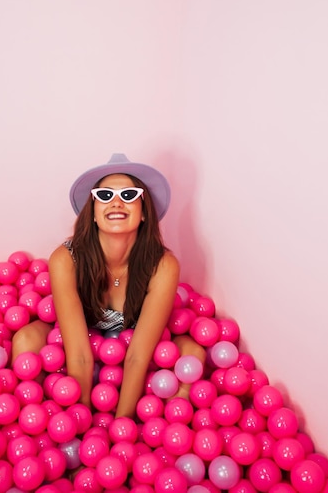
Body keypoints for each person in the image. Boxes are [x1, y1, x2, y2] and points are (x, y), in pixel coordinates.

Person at [12, 153, 205, 418]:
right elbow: (78, 353)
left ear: (144, 213)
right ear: (92, 213)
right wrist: (80, 422)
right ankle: (38, 417)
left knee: (194, 353)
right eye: (104, 196)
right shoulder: (66, 259)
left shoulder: (163, 265)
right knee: (24, 340)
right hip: (78, 337)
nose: (116, 203)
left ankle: (167, 422)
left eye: (128, 196)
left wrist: (121, 428)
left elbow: (138, 355)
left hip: (136, 340)